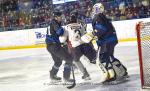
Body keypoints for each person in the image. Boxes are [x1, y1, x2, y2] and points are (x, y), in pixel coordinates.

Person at [90, 3, 128, 84]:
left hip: (106, 41)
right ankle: (123, 71)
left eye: (94, 9)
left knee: (103, 58)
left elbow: (101, 29)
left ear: (97, 9)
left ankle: (112, 76)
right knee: (110, 56)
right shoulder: (103, 17)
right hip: (111, 39)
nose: (93, 11)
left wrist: (93, 34)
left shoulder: (97, 17)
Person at [60, 13, 97, 80]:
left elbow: (63, 39)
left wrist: (62, 41)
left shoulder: (67, 27)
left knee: (75, 60)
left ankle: (86, 74)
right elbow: (84, 35)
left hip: (75, 47)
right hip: (84, 45)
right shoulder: (80, 25)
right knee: (94, 59)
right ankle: (107, 68)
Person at [45, 10, 74, 83]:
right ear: (55, 17)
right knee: (69, 58)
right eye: (60, 16)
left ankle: (52, 76)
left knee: (58, 61)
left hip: (50, 46)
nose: (61, 17)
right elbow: (59, 32)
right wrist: (64, 29)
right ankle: (66, 78)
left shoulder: (53, 22)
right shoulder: (54, 23)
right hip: (54, 46)